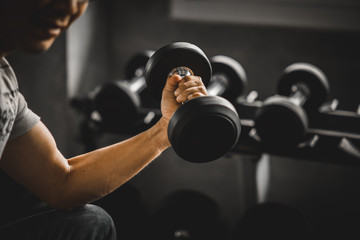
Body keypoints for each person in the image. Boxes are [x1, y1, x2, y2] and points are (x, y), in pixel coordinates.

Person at [0, 0, 208, 239]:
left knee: (91, 222)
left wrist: (165, 128)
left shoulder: (5, 83)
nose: (69, 7)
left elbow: (62, 182)